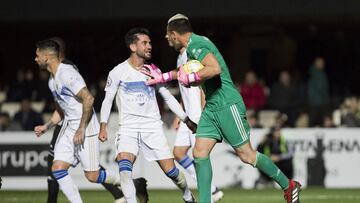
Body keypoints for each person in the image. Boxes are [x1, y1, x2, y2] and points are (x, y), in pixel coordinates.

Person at [141, 14, 301, 203]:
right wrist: (164, 77)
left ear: (175, 34)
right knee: (199, 153)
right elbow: (186, 71)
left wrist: (193, 78)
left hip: (227, 104)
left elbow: (214, 68)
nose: (166, 39)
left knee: (247, 155)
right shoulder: (191, 48)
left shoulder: (196, 44)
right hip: (212, 107)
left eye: (168, 35)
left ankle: (288, 185)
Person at [43, 37, 148, 203]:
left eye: (37, 55)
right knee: (57, 168)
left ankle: (131, 183)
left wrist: (81, 128)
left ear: (46, 56)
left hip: (85, 128)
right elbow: (62, 108)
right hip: (69, 127)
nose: (35, 59)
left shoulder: (67, 73)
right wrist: (47, 125)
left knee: (92, 176)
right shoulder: (51, 81)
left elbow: (89, 99)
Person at [99, 27, 197, 203]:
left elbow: (168, 97)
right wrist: (103, 125)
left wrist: (186, 119)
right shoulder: (117, 72)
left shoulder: (153, 70)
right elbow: (107, 100)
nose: (149, 46)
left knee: (172, 172)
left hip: (152, 127)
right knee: (125, 170)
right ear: (133, 47)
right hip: (128, 128)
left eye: (150, 42)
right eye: (145, 43)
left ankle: (187, 195)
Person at [172, 47, 224, 202]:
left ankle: (209, 194)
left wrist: (204, 114)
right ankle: (213, 190)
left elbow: (202, 86)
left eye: (169, 34)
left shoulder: (192, 55)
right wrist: (179, 113)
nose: (167, 38)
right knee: (178, 153)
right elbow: (183, 89)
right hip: (186, 116)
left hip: (197, 115)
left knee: (200, 157)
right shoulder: (179, 58)